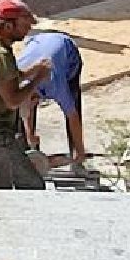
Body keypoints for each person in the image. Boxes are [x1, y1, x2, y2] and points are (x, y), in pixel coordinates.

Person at [0, 0, 53, 189]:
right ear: (8, 26)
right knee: (32, 185)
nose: (28, 30)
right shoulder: (0, 56)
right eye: (24, 25)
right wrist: (39, 78)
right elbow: (13, 100)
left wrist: (33, 69)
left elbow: (7, 78)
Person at [20, 29, 87, 170]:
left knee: (73, 103)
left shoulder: (56, 85)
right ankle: (32, 152)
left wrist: (80, 152)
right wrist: (30, 135)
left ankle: (76, 155)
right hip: (37, 43)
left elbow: (72, 116)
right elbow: (26, 109)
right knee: (25, 123)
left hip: (66, 49)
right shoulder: (15, 80)